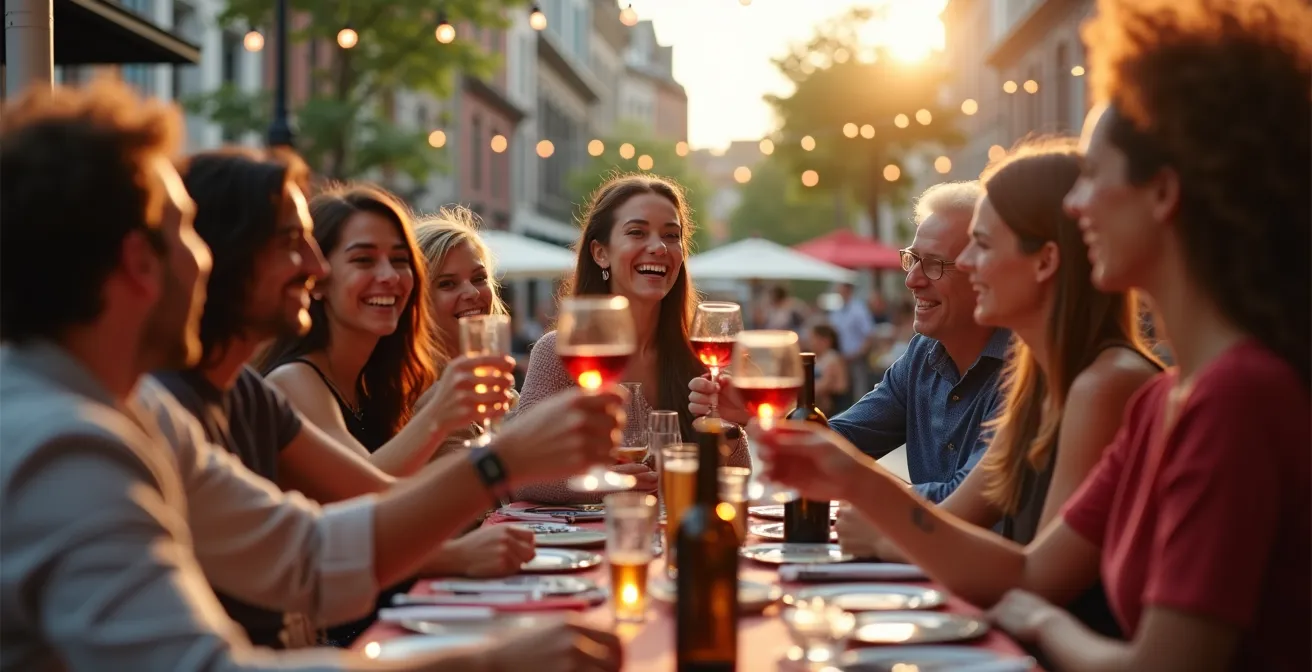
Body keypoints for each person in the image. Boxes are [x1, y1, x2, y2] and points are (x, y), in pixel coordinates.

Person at [755, 0, 1311, 668]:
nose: (1076, 206)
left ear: (1162, 194)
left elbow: (1145, 655)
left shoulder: (1227, 396)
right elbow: (1030, 574)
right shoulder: (1166, 399)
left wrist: (1041, 622)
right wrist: (855, 479)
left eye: (1094, 177)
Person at [0, 80, 625, 671]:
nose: (315, 268)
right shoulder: (60, 445)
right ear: (140, 263)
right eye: (187, 231)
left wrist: (501, 461)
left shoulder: (137, 411)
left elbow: (310, 554)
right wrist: (484, 660)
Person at [153, 150, 536, 648]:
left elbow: (331, 529)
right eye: (294, 243)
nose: (312, 265)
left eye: (400, 260)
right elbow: (344, 524)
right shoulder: (176, 404)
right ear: (223, 254)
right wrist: (496, 453)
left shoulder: (246, 393)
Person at [836, 139, 1162, 643]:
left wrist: (877, 515)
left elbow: (1037, 579)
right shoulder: (1036, 378)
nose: (967, 263)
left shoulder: (1104, 383)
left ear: (1045, 261)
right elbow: (955, 518)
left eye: (982, 245)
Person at [692, 181, 1009, 502]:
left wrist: (860, 486)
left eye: (934, 264)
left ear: (982, 271)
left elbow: (963, 500)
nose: (912, 280)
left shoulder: (1022, 371)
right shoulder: (922, 355)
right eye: (912, 259)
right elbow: (842, 439)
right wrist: (756, 415)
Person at [513, 174, 751, 504]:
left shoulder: (701, 360)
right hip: (589, 550)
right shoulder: (558, 353)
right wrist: (605, 484)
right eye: (637, 232)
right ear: (600, 253)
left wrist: (729, 428)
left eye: (671, 236)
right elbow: (520, 476)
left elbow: (736, 485)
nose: (658, 247)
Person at [808, 323, 851, 416]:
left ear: (824, 340)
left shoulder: (832, 358)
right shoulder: (818, 358)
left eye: (813, 338)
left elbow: (826, 384)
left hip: (836, 404)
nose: (810, 342)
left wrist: (805, 392)